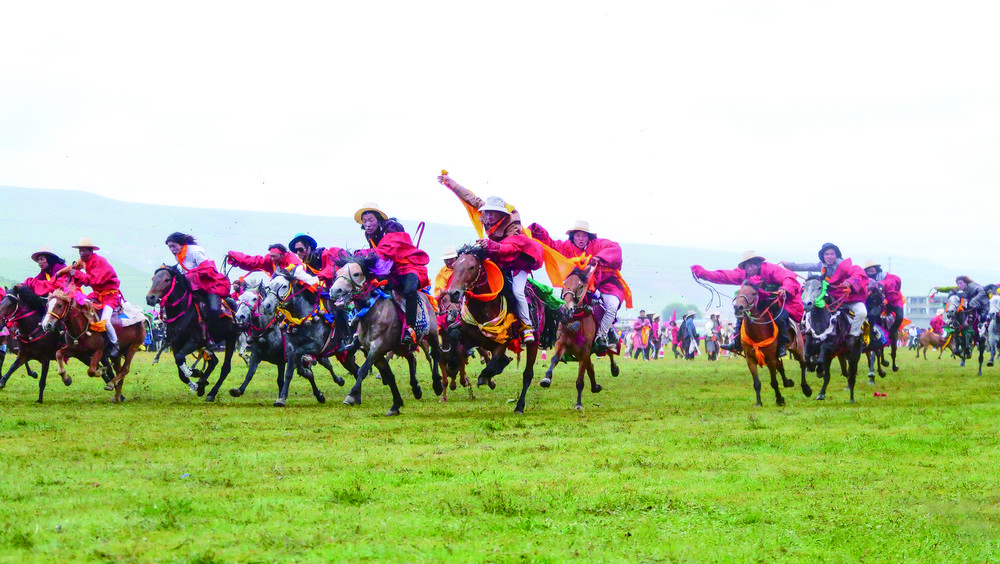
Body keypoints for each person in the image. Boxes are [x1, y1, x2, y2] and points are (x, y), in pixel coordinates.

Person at [439, 174, 544, 342]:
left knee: (517, 292)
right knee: (475, 279)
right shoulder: (485, 211)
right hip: (497, 257)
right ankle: (462, 317)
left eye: (492, 214)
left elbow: (511, 248)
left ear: (501, 215)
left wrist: (492, 245)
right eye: (486, 213)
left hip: (516, 263)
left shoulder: (513, 226)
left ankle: (526, 327)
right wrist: (449, 182)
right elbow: (469, 197)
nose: (487, 217)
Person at [526, 219, 629, 353]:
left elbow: (615, 248)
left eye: (584, 236)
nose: (581, 239)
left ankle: (602, 336)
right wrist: (537, 230)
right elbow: (550, 244)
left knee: (611, 307)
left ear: (588, 237)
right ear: (573, 237)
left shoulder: (597, 244)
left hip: (604, 284)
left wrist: (598, 258)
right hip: (576, 286)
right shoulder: (566, 246)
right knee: (560, 304)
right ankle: (555, 336)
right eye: (578, 235)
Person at [691, 250, 803, 357]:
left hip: (780, 301)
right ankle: (736, 341)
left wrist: (785, 288)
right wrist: (702, 273)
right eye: (747, 266)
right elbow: (724, 275)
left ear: (758, 264)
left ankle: (782, 343)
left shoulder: (771, 269)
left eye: (752, 265)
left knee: (780, 318)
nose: (749, 269)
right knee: (741, 314)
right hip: (760, 301)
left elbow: (788, 278)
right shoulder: (743, 274)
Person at [354, 202, 430, 346]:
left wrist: (363, 254)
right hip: (392, 270)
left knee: (409, 290)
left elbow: (386, 251)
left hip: (408, 266)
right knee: (367, 288)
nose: (367, 224)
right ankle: (358, 332)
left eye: (370, 220)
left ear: (378, 219)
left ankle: (411, 329)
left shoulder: (392, 228)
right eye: (364, 221)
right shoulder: (369, 234)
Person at [781, 243, 868, 349]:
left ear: (836, 255)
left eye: (832, 254)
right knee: (812, 306)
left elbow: (859, 272)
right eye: (826, 254)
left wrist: (850, 282)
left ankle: (853, 336)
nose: (829, 256)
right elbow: (807, 266)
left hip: (850, 299)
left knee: (862, 312)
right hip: (833, 299)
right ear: (823, 256)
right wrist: (788, 265)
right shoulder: (822, 266)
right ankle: (806, 329)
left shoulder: (845, 266)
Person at [60, 237, 122, 356]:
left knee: (105, 321)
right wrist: (60, 272)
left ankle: (115, 344)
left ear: (91, 251)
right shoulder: (83, 260)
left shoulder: (100, 262)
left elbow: (94, 280)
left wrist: (77, 273)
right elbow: (73, 267)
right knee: (80, 306)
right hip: (97, 294)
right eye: (80, 250)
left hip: (110, 295)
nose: (81, 253)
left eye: (84, 250)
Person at [165, 232, 232, 341]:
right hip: (194, 286)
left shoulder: (195, 251)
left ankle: (212, 336)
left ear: (181, 243)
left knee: (214, 309)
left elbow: (208, 269)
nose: (172, 249)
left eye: (174, 246)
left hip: (209, 284)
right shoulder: (178, 255)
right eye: (169, 247)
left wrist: (189, 275)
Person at [864, 260, 905, 360]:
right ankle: (872, 334)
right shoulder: (865, 279)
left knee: (899, 317)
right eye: (868, 270)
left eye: (872, 269)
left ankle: (893, 332)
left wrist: (881, 284)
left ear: (876, 269)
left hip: (894, 300)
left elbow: (896, 281)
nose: (871, 271)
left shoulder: (884, 276)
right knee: (873, 315)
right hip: (877, 302)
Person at [226, 243, 319, 286]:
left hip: (296, 289)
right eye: (271, 256)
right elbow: (254, 262)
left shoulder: (291, 258)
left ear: (282, 255)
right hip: (278, 290)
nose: (272, 259)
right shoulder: (270, 259)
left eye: (274, 256)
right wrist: (236, 258)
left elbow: (297, 269)